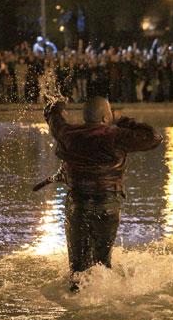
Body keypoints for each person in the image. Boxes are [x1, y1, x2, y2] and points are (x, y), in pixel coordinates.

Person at [43, 96, 163, 291]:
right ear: (106, 117)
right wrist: (122, 120)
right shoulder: (115, 136)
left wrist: (57, 104)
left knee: (77, 270)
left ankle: (74, 309)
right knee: (102, 265)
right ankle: (104, 305)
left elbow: (53, 118)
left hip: (78, 206)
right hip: (108, 206)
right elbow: (153, 138)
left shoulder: (68, 134)